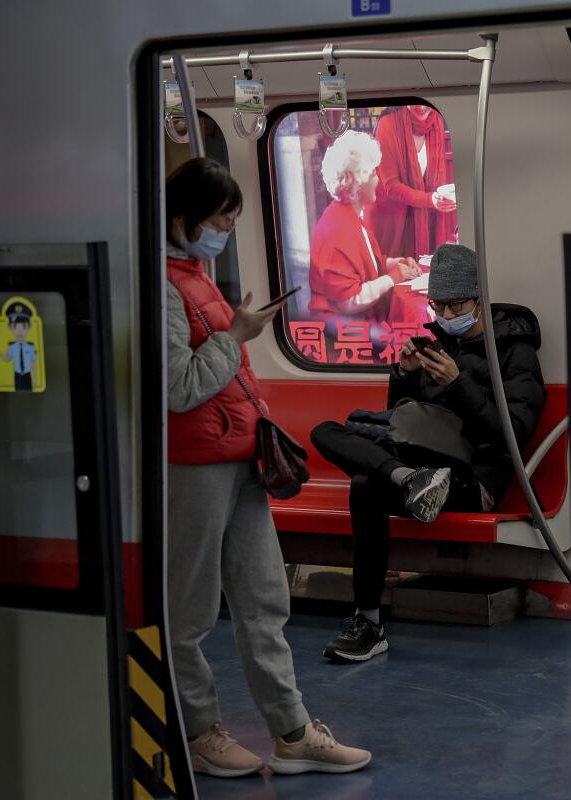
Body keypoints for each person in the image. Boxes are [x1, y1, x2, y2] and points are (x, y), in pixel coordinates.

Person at [164, 157, 370, 777]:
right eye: (221, 219)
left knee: (264, 601)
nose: (226, 229)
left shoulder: (194, 273)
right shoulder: (162, 287)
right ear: (184, 218)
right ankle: (197, 729)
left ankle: (292, 731)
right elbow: (179, 387)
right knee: (190, 611)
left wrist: (236, 335)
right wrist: (240, 336)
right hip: (193, 464)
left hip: (240, 456)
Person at [310, 244, 546, 662]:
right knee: (325, 431)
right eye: (440, 305)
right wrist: (403, 376)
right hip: (422, 467)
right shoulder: (437, 343)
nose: (448, 316)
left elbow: (514, 434)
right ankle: (404, 481)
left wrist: (459, 384)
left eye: (457, 305)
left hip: (474, 477)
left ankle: (368, 619)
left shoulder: (514, 350)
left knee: (367, 486)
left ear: (478, 298)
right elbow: (402, 417)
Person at [308, 129, 423, 325]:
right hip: (339, 329)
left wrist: (395, 264)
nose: (378, 179)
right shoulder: (338, 230)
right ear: (356, 182)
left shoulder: (346, 215)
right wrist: (392, 278)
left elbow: (365, 264)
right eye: (373, 174)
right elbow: (348, 300)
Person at [366, 104, 457, 260]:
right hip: (391, 225)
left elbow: (439, 179)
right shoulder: (387, 124)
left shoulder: (437, 121)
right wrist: (431, 200)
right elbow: (392, 187)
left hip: (425, 220)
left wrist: (445, 200)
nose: (421, 108)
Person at [0, 302, 38, 391]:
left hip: (27, 376)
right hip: (17, 376)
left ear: (29, 327)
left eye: (23, 326)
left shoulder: (30, 347)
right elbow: (7, 359)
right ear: (10, 328)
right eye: (15, 326)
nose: (19, 331)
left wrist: (34, 380)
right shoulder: (12, 347)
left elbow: (33, 363)